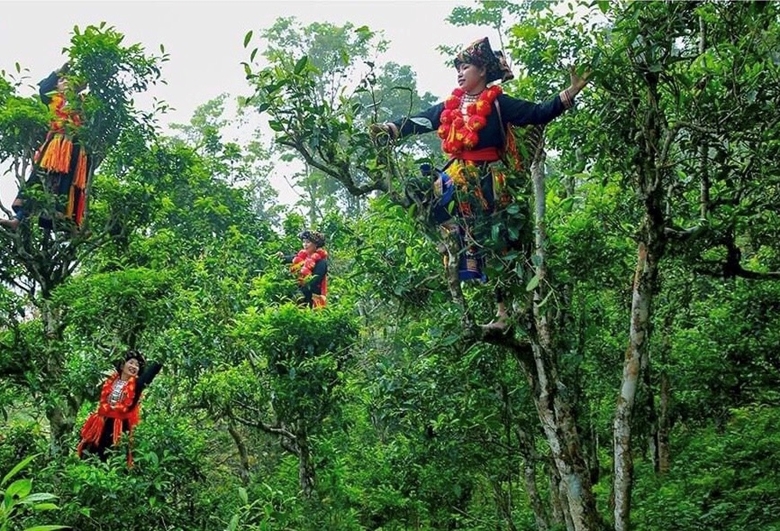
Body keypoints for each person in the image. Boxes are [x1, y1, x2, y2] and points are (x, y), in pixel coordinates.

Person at [371, 37, 590, 330]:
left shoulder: (498, 102)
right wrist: (389, 129)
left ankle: (503, 313)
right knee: (423, 195)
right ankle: (449, 244)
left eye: (466, 67)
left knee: (494, 242)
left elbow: (537, 113)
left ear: (483, 71)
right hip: (457, 177)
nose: (460, 73)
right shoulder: (451, 105)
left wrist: (572, 90)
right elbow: (421, 120)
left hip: (490, 180)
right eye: (458, 69)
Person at [0, 61, 91, 231]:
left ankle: (64, 222)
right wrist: (60, 71)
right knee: (38, 179)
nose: (65, 84)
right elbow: (43, 88)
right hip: (54, 145)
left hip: (75, 147)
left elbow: (95, 112)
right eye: (62, 81)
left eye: (69, 81)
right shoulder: (53, 98)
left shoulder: (82, 103)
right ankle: (18, 220)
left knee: (66, 182)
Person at [76, 350, 162, 467]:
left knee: (113, 458)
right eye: (131, 363)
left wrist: (161, 358)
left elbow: (149, 375)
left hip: (119, 427)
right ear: (122, 365)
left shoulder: (136, 385)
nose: (134, 367)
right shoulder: (110, 381)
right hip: (100, 424)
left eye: (137, 365)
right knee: (89, 455)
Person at [279, 230, 329, 308]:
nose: (305, 245)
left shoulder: (321, 262)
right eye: (304, 242)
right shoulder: (302, 258)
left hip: (313, 299)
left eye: (308, 242)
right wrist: (281, 257)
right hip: (298, 296)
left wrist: (299, 286)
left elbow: (315, 280)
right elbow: (288, 259)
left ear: (316, 244)